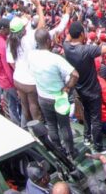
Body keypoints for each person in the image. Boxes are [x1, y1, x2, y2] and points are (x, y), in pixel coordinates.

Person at [62, 19, 106, 152]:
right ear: (82, 34)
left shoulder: (66, 46)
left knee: (87, 113)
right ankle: (98, 146)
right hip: (93, 91)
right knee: (96, 119)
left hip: (80, 89)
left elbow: (68, 36)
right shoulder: (87, 50)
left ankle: (87, 138)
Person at [28, 28, 79, 158]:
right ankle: (71, 152)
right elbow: (75, 75)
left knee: (51, 125)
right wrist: (67, 88)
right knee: (64, 126)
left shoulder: (31, 55)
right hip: (59, 98)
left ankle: (58, 150)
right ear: (48, 41)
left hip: (43, 97)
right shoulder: (56, 59)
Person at [0, 18, 22, 126]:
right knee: (21, 103)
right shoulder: (3, 45)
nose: (9, 30)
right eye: (8, 28)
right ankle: (22, 127)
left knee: (11, 105)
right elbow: (7, 67)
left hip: (2, 80)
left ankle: (17, 125)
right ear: (2, 29)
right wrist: (15, 85)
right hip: (8, 81)